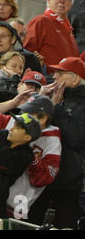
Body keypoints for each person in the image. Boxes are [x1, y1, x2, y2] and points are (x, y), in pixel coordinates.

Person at [35, 57, 85, 229]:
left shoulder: (82, 102)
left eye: (60, 73)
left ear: (76, 78)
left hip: (70, 183)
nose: (54, 77)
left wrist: (56, 107)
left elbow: (76, 137)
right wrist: (40, 101)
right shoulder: (55, 98)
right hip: (42, 178)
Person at [23, 0, 80, 73]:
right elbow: (26, 52)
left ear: (71, 3)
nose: (61, 1)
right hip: (49, 79)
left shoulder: (68, 27)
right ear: (49, 1)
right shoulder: (41, 21)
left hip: (68, 81)